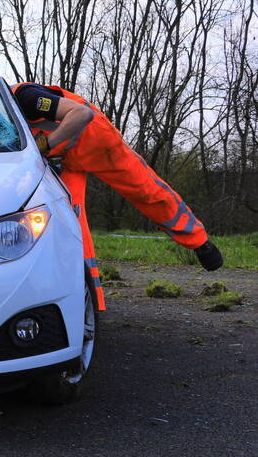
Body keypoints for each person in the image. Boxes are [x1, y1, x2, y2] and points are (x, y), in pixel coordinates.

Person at [11, 82, 223, 308]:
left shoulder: (25, 98)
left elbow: (81, 114)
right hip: (63, 161)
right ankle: (88, 305)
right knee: (70, 227)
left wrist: (46, 145)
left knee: (147, 191)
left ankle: (200, 242)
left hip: (96, 141)